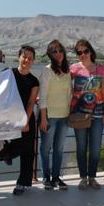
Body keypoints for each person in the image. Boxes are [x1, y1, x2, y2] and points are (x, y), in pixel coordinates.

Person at [0, 46, 39, 195]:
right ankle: (7, 154)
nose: (27, 60)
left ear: (33, 61)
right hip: (9, 118)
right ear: (19, 57)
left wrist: (25, 122)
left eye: (30, 58)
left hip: (26, 118)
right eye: (24, 56)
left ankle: (23, 183)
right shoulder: (8, 74)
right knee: (10, 146)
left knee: (28, 149)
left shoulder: (34, 81)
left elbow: (31, 102)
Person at [70, 39, 104, 190]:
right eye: (79, 52)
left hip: (98, 114)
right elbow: (62, 84)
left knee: (95, 147)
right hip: (79, 114)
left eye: (85, 51)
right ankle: (83, 178)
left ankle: (92, 177)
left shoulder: (101, 69)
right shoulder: (73, 69)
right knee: (81, 146)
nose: (83, 55)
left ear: (91, 51)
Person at [38, 40, 72, 190]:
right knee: (45, 148)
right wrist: (43, 118)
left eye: (60, 50)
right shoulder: (47, 71)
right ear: (50, 55)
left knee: (59, 149)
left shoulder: (67, 71)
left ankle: (56, 177)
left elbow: (69, 94)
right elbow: (43, 96)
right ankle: (46, 177)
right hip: (49, 117)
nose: (58, 54)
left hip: (64, 116)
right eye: (54, 52)